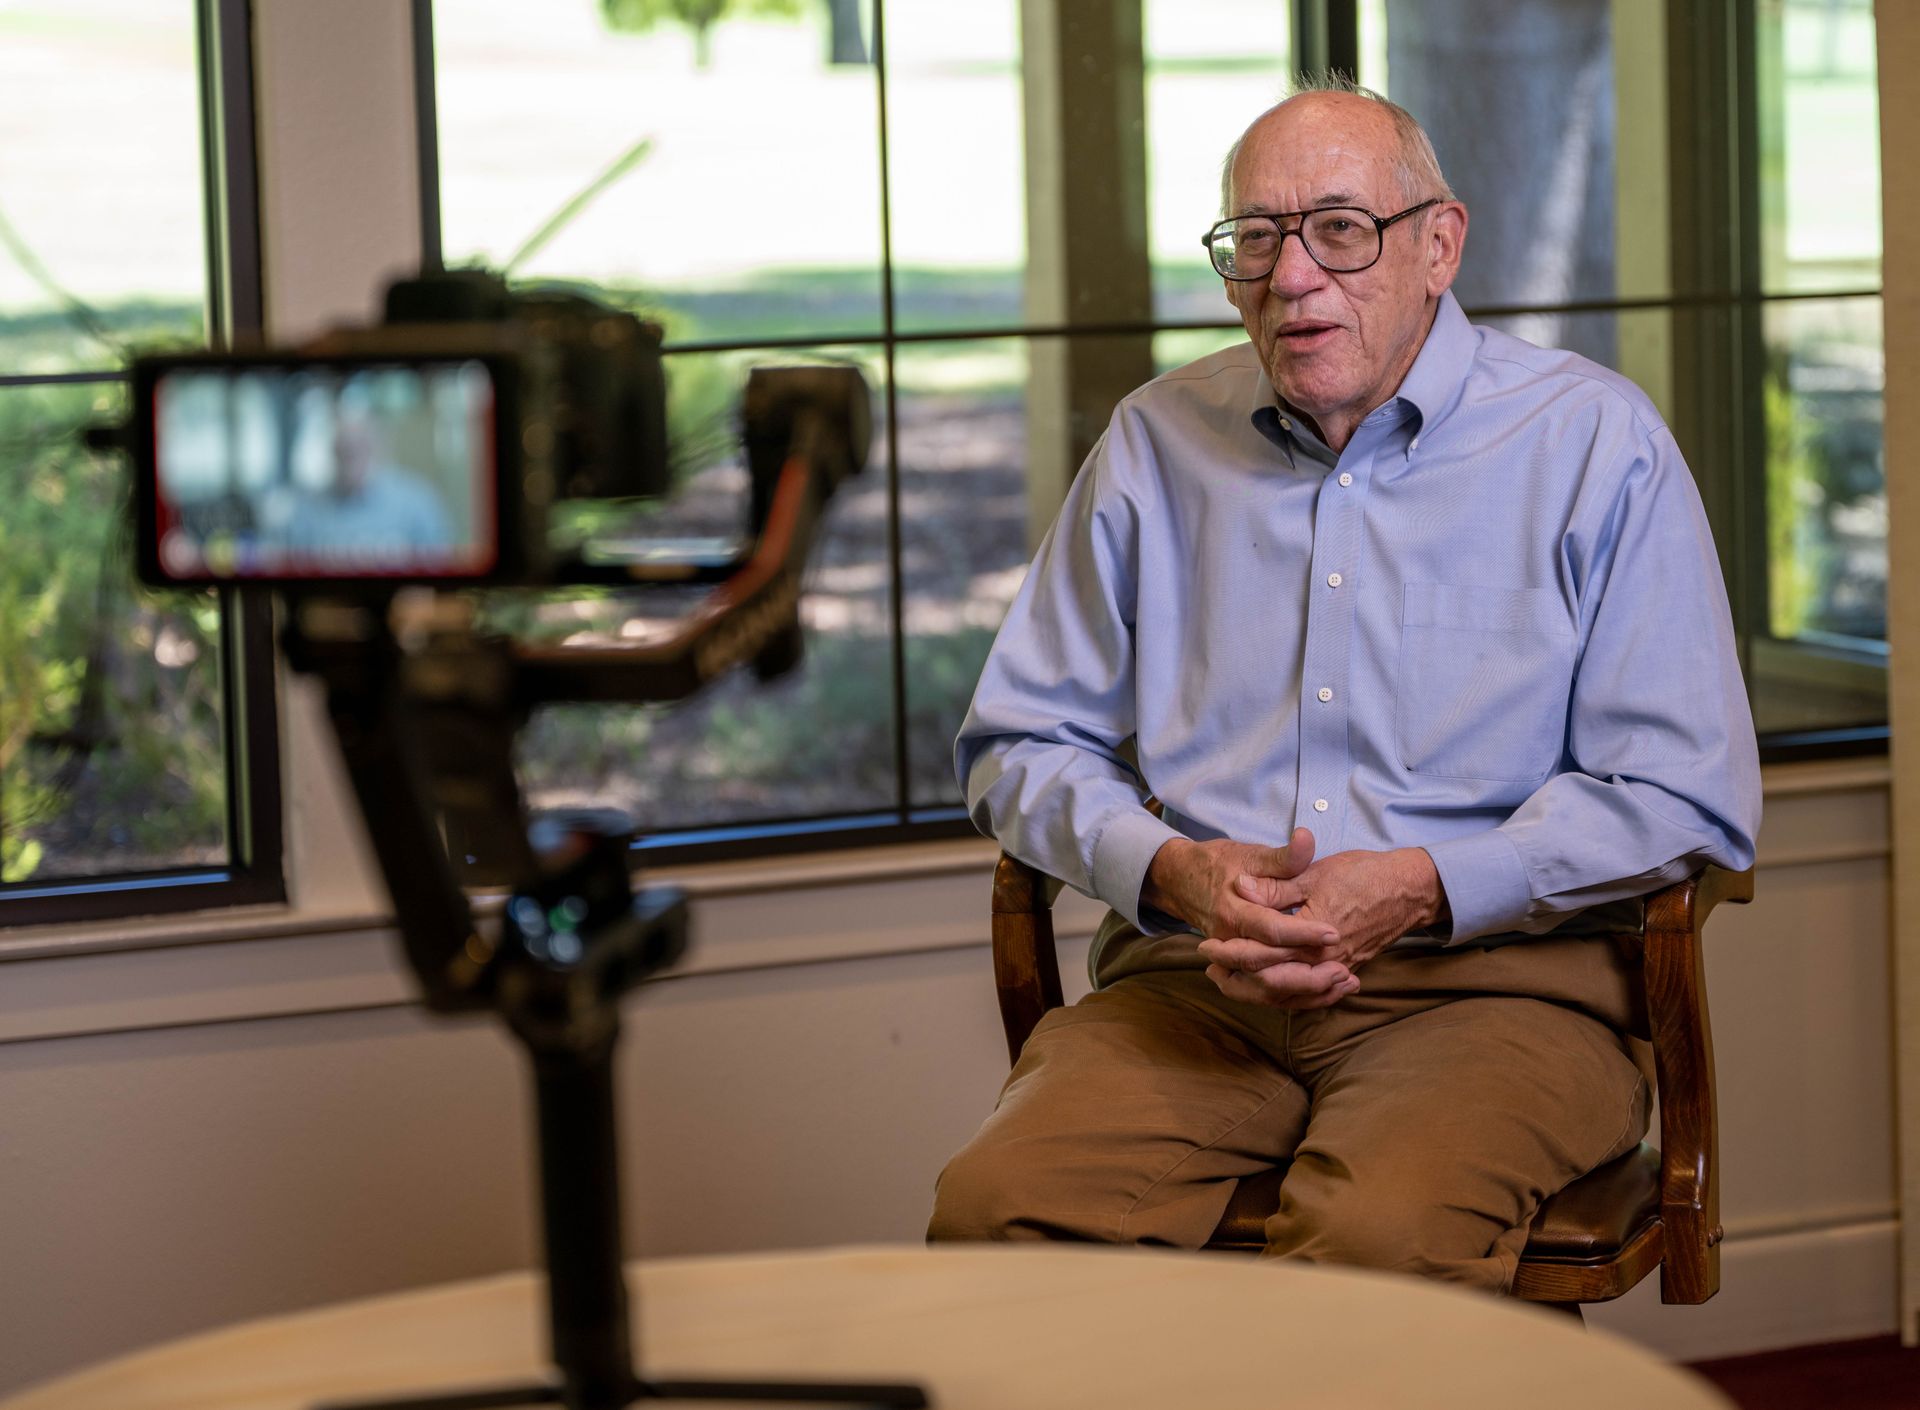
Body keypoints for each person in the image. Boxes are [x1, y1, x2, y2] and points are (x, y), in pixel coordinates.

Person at [926, 80, 1762, 1294]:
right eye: (1254, 239)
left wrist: (1424, 887)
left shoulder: (1595, 445)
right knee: (993, 1215)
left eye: (1339, 228)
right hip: (1195, 990)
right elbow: (1016, 743)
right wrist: (1168, 872)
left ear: (1440, 244)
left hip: (1499, 996)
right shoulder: (1156, 443)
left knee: (1374, 1250)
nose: (1292, 276)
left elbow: (1686, 792)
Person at [284, 408, 454, 568]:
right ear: (333, 450)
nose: (352, 455)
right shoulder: (307, 511)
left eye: (361, 445)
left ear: (379, 445)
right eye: (345, 449)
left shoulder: (419, 503)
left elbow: (439, 572)